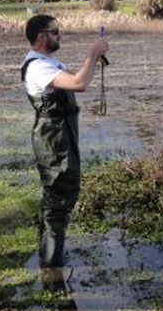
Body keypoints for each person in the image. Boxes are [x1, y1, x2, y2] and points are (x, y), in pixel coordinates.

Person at [21, 14, 109, 269]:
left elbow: (73, 83)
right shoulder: (38, 66)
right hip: (54, 139)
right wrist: (92, 54)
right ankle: (51, 269)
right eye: (55, 31)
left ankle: (48, 256)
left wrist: (94, 59)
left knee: (55, 198)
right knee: (59, 201)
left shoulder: (47, 62)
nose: (60, 35)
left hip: (58, 134)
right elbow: (78, 84)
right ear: (41, 37)